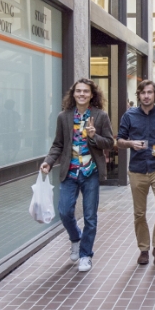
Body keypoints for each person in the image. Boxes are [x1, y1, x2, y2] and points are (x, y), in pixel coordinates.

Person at [40, 78, 115, 272]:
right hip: (70, 172)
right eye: (78, 91)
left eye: (86, 91)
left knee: (90, 216)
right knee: (65, 211)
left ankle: (85, 255)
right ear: (73, 94)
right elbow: (58, 144)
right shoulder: (64, 117)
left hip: (90, 173)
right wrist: (48, 162)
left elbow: (108, 142)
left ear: (92, 95)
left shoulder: (100, 116)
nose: (82, 94)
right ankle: (75, 238)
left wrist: (93, 137)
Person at [117, 80, 155, 268]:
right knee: (139, 213)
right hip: (137, 169)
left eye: (150, 92)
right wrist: (131, 144)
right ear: (138, 95)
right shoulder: (129, 116)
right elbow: (119, 140)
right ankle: (144, 249)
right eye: (143, 92)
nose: (146, 96)